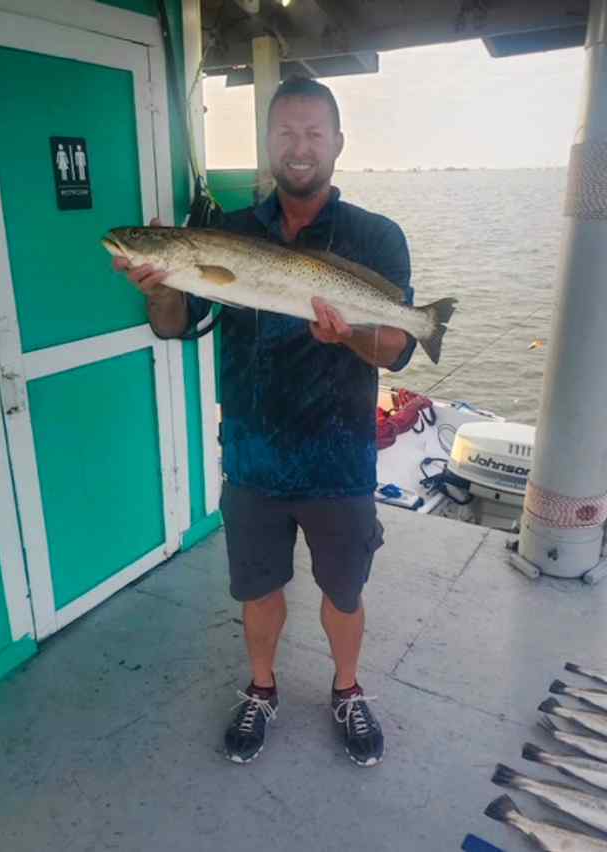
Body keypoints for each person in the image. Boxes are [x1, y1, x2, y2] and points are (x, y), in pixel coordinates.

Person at [113, 76, 415, 767]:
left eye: (314, 133)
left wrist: (350, 337)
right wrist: (159, 285)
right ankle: (261, 687)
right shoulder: (224, 233)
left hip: (339, 459)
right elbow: (175, 326)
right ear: (268, 143)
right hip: (252, 455)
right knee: (257, 589)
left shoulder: (376, 236)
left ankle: (347, 689)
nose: (299, 146)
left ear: (337, 142)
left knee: (344, 591)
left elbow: (396, 348)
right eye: (285, 132)